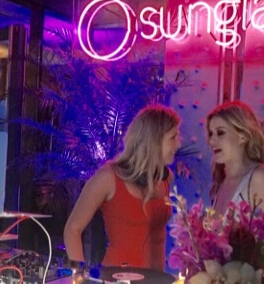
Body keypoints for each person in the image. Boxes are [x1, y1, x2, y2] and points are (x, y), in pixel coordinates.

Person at [64, 105, 182, 271]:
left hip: (157, 281)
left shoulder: (166, 178)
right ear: (154, 139)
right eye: (173, 137)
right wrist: (78, 275)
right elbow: (72, 229)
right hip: (115, 281)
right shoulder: (108, 178)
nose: (178, 144)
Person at [206, 100, 264, 242]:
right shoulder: (221, 181)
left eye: (220, 133)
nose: (211, 141)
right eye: (211, 134)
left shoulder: (261, 177)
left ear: (243, 136)